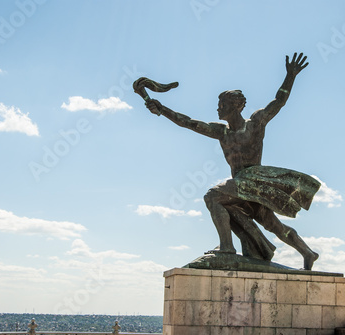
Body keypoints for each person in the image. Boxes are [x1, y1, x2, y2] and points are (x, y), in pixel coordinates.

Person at [135, 53, 321, 270]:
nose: (218, 108)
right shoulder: (221, 132)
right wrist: (162, 109)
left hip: (253, 181)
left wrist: (290, 76)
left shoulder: (255, 124)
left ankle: (227, 248)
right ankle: (308, 252)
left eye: (222, 104)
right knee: (275, 226)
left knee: (213, 196)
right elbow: (187, 122)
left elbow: (278, 102)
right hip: (240, 187)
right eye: (219, 104)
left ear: (236, 105)